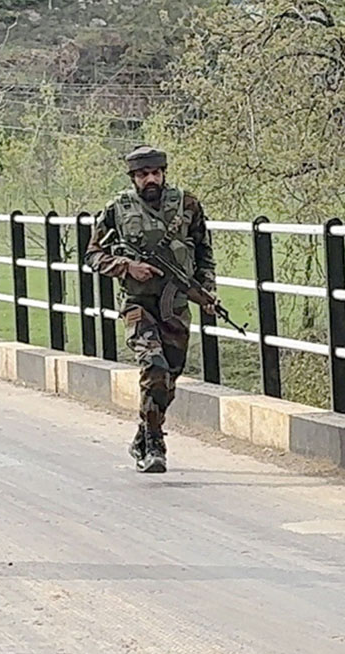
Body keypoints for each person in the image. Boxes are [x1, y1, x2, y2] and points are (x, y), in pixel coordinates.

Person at [85, 146, 217, 473]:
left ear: (164, 174)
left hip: (175, 306)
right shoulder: (117, 209)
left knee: (168, 379)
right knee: (154, 367)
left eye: (156, 173)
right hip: (138, 305)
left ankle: (143, 433)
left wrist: (207, 292)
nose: (151, 180)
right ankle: (156, 443)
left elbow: (203, 253)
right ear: (133, 178)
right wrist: (126, 266)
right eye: (144, 175)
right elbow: (92, 255)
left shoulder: (187, 205)